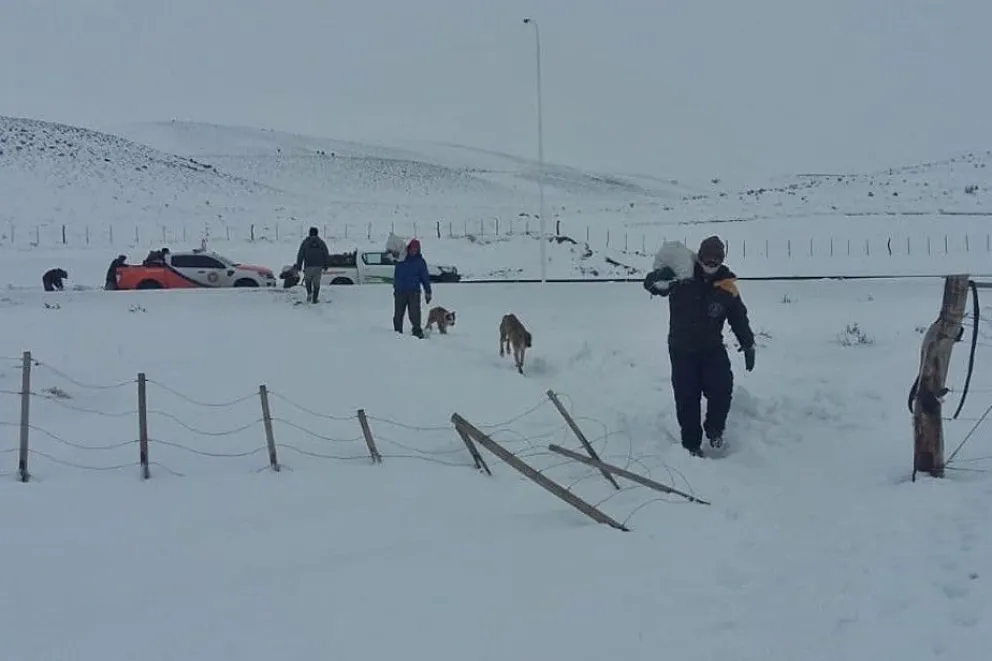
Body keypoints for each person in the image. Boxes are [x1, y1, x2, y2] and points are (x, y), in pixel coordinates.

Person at [643, 236, 756, 457]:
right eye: (707, 258)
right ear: (700, 256)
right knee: (687, 397)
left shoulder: (727, 287)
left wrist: (748, 344)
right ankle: (691, 445)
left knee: (722, 389)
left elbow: (739, 318)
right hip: (681, 350)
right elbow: (652, 286)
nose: (711, 263)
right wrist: (657, 278)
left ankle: (715, 431)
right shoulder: (681, 274)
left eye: (716, 259)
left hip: (711, 349)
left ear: (722, 260)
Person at [393, 238, 432, 338]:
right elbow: (390, 258)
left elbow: (425, 277)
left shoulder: (420, 262)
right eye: (412, 249)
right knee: (398, 313)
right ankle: (397, 332)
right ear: (408, 248)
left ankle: (417, 330)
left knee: (415, 313)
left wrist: (428, 291)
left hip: (414, 291)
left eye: (416, 249)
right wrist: (393, 254)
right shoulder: (401, 258)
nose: (414, 251)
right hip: (400, 291)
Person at [293, 227, 330, 303]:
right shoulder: (321, 242)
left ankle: (309, 293)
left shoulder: (305, 242)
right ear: (317, 233)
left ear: (309, 233)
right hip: (318, 266)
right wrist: (326, 265)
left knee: (308, 281)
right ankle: (315, 298)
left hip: (308, 266)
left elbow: (300, 254)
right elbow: (326, 254)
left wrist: (299, 266)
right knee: (316, 282)